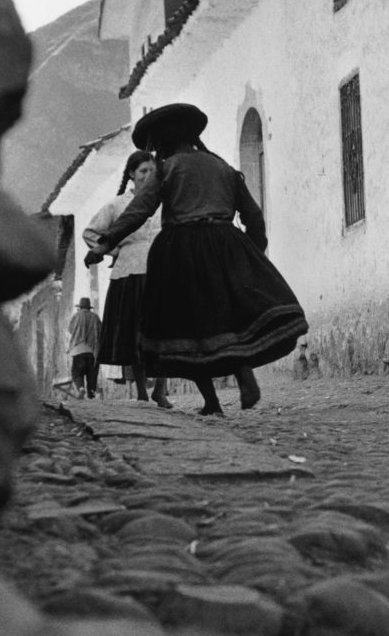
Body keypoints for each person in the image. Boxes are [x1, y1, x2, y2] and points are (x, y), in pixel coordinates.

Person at [84, 103, 308, 416]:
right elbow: (253, 215)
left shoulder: (167, 169)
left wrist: (104, 243)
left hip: (182, 250)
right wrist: (253, 254)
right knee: (229, 317)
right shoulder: (222, 167)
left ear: (163, 141)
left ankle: (212, 402)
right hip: (226, 243)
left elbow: (139, 210)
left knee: (187, 327)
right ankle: (243, 370)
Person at [84, 151, 173, 408]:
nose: (148, 175)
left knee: (164, 331)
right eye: (143, 171)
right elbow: (91, 233)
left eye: (152, 171)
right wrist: (116, 250)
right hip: (130, 271)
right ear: (132, 174)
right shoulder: (117, 205)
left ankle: (160, 390)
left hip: (162, 270)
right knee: (136, 333)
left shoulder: (165, 201)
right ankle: (142, 392)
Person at [68, 297, 101, 399]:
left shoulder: (76, 316)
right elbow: (100, 331)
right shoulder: (95, 317)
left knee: (77, 373)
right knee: (92, 374)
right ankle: (91, 393)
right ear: (89, 307)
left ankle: (81, 388)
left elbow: (70, 329)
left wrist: (80, 334)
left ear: (80, 307)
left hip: (78, 350)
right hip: (92, 351)